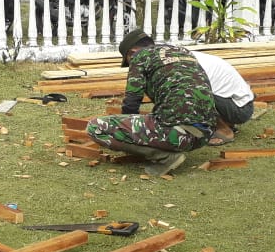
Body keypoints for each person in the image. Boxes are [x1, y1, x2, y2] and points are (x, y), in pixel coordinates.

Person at [86, 29, 222, 176]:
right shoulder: (183, 52)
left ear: (132, 52)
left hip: (177, 135)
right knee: (157, 119)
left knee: (95, 127)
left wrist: (129, 134)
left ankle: (165, 157)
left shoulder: (140, 56)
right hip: (205, 135)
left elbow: (132, 102)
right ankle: (168, 146)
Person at [190, 50, 256, 146]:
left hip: (239, 109)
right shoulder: (185, 56)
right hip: (235, 103)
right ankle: (224, 122)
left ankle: (224, 131)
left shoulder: (186, 64)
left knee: (190, 94)